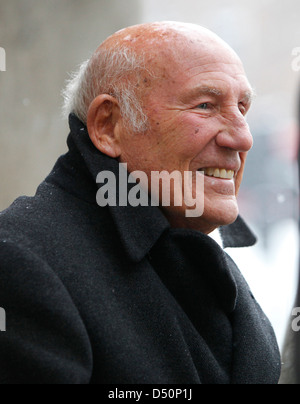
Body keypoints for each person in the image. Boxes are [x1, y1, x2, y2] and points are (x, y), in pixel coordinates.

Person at [0, 21, 281, 384]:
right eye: (206, 105)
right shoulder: (22, 264)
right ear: (108, 126)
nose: (243, 138)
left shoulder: (190, 249)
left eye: (242, 107)